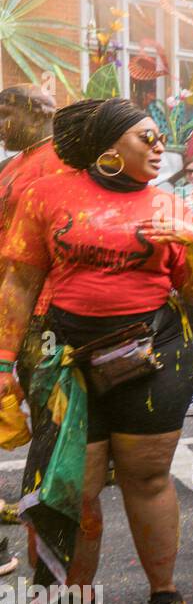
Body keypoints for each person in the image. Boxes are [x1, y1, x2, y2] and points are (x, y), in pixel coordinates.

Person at [0, 98, 193, 604]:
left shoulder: (172, 205)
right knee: (77, 485)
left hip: (153, 356)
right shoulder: (47, 195)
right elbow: (20, 282)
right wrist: (3, 362)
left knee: (146, 478)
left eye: (158, 137)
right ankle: (69, 596)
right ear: (108, 147)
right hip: (67, 360)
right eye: (146, 136)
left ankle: (164, 593)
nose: (159, 144)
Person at [0, 85, 63, 542]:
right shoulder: (10, 166)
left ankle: (42, 517)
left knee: (49, 420)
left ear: (40, 110)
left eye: (5, 115)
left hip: (46, 312)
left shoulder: (66, 160)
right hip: (12, 304)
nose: (1, 127)